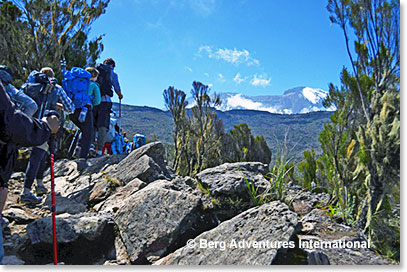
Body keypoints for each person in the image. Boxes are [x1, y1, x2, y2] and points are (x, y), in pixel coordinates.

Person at [0, 81, 59, 264]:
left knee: (35, 160)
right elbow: (9, 123)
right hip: (34, 129)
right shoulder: (55, 92)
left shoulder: (30, 86)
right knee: (39, 158)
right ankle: (34, 188)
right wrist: (45, 128)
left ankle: (28, 190)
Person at [21, 67, 75, 204]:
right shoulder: (56, 88)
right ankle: (26, 191)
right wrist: (57, 106)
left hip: (28, 123)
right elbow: (70, 107)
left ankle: (38, 185)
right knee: (38, 156)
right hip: (44, 126)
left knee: (36, 155)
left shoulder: (32, 86)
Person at [94, 58, 123, 157]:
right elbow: (116, 87)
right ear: (113, 66)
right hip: (105, 101)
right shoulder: (112, 74)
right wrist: (120, 95)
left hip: (94, 101)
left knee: (92, 123)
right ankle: (99, 150)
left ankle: (90, 147)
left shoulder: (96, 71)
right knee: (103, 125)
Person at [85, 67, 101, 156]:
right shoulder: (93, 85)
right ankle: (86, 150)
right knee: (88, 129)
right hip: (87, 108)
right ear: (94, 75)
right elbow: (97, 101)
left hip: (75, 108)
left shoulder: (80, 82)